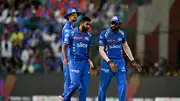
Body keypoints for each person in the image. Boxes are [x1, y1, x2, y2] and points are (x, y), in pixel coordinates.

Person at [98, 16, 142, 101]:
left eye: (115, 23)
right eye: (112, 23)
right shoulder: (104, 34)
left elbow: (126, 47)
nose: (113, 25)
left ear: (119, 24)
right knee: (103, 86)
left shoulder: (122, 34)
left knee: (123, 85)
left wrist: (133, 60)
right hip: (107, 63)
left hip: (120, 62)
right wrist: (109, 62)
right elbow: (101, 50)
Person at [60, 16, 94, 101]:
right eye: (87, 24)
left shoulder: (89, 36)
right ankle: (65, 98)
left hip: (85, 63)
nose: (88, 26)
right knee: (75, 83)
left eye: (89, 25)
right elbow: (64, 47)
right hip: (74, 62)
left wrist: (90, 60)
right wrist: (65, 58)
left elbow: (89, 49)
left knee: (84, 87)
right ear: (81, 23)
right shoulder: (71, 33)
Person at [59, 8, 81, 100]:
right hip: (67, 55)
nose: (75, 16)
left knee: (73, 79)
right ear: (68, 17)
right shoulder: (68, 28)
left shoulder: (72, 27)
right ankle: (64, 96)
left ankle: (65, 96)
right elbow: (65, 45)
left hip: (70, 55)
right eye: (72, 14)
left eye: (76, 14)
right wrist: (65, 58)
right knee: (68, 78)